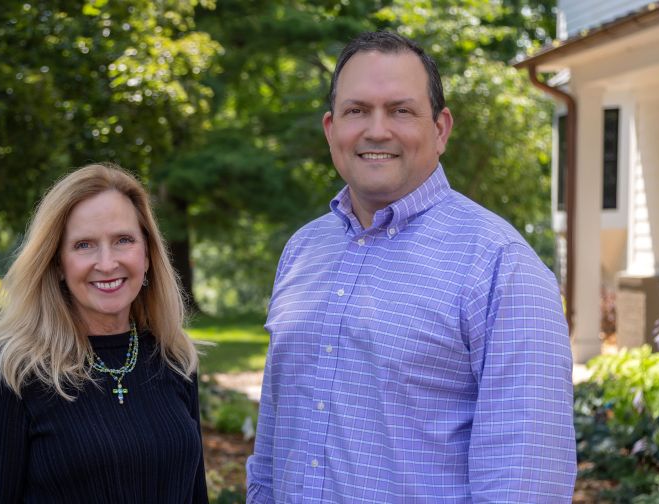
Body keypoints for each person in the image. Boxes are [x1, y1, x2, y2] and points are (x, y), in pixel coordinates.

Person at [246, 31, 577, 503]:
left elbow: (524, 485)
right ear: (330, 128)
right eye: (356, 110)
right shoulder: (303, 250)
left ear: (440, 129)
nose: (376, 130)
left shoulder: (500, 266)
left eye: (401, 110)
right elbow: (273, 447)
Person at [0, 163, 209, 503]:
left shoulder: (175, 360)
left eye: (123, 240)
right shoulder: (15, 371)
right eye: (84, 245)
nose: (107, 263)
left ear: (148, 253)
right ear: (58, 262)